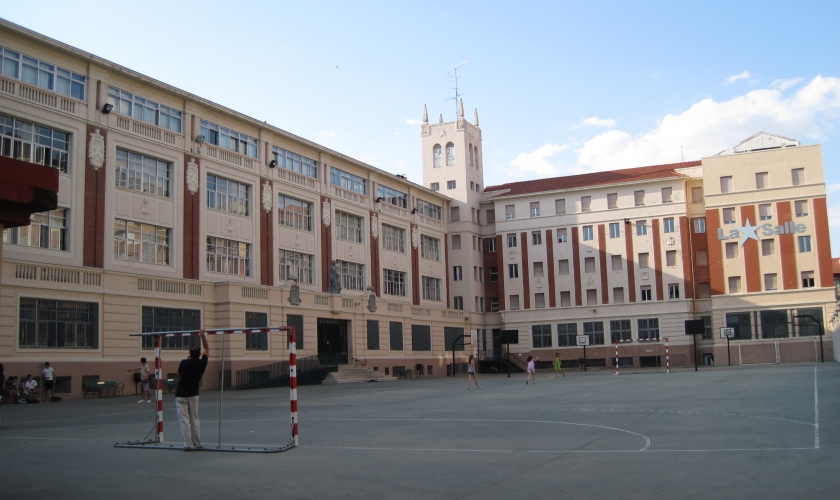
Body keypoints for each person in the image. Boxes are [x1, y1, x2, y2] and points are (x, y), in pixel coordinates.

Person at [176, 330, 209, 451]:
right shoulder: (202, 363)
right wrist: (202, 335)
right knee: (194, 419)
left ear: (189, 353)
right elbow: (207, 348)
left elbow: (179, 374)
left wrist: (187, 359)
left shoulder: (184, 362)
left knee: (184, 420)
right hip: (193, 393)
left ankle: (188, 444)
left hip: (181, 393)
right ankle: (196, 443)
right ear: (199, 354)